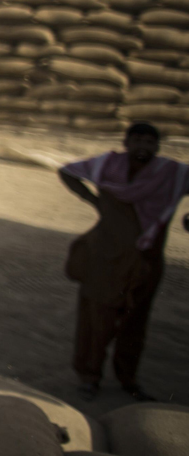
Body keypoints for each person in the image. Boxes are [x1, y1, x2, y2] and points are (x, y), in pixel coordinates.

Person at [59, 122, 188, 402]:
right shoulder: (107, 166)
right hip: (105, 258)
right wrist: (94, 201)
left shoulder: (172, 174)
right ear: (126, 142)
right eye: (137, 141)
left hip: (146, 261)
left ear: (158, 147)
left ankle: (128, 378)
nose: (143, 147)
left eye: (150, 143)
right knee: (96, 320)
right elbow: (67, 171)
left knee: (134, 323)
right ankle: (89, 377)